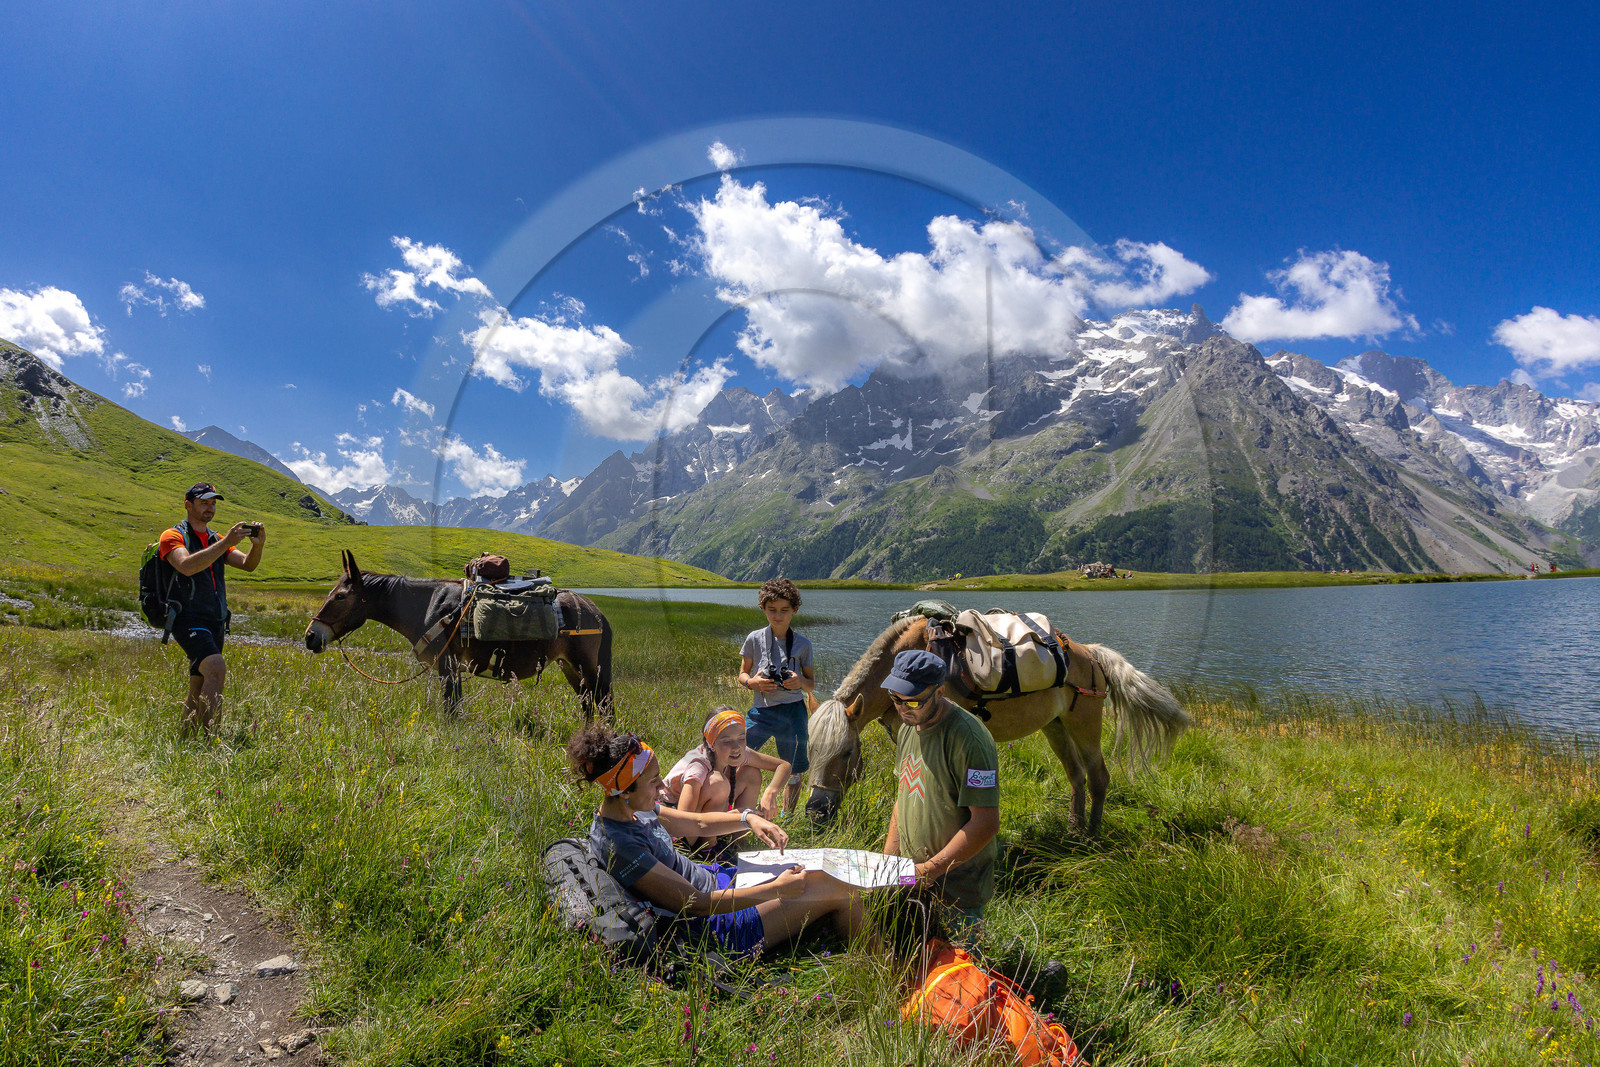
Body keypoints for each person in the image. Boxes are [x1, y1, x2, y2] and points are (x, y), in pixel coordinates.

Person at [569, 723, 867, 957]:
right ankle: (893, 976)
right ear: (623, 791)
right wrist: (776, 889)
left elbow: (697, 822)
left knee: (819, 870)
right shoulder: (621, 845)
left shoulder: (632, 810)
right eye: (653, 781)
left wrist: (747, 818)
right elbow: (695, 904)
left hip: (720, 881)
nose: (661, 788)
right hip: (720, 926)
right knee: (840, 888)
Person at [882, 649, 1000, 941]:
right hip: (914, 878)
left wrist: (929, 871)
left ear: (940, 691)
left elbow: (985, 823)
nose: (902, 708)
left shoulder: (969, 738)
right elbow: (904, 797)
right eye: (895, 699)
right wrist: (888, 862)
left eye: (913, 700)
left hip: (958, 888)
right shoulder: (908, 729)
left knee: (961, 973)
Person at [157, 482, 265, 734]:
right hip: (187, 618)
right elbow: (185, 566)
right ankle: (208, 740)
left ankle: (185, 737)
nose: (210, 507)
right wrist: (225, 541)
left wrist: (257, 545)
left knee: (199, 682)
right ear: (188, 505)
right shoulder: (173, 536)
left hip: (216, 620)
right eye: (204, 502)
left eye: (213, 503)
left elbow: (248, 565)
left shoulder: (216, 539)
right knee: (215, 666)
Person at [664, 706, 793, 859]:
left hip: (701, 817)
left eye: (741, 739)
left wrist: (771, 792)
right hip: (675, 827)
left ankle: (738, 843)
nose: (736, 747)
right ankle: (708, 850)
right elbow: (682, 821)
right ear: (711, 743)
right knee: (718, 783)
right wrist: (735, 815)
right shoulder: (698, 766)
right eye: (726, 741)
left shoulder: (739, 753)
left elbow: (784, 766)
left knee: (751, 773)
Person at [737, 577, 815, 815]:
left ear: (795, 610)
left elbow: (811, 685)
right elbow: (742, 674)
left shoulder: (803, 644)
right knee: (737, 752)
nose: (778, 616)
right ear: (763, 609)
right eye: (772, 610)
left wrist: (799, 681)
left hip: (793, 712)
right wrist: (753, 683)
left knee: (795, 768)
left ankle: (787, 815)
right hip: (761, 711)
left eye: (784, 610)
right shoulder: (754, 638)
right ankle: (736, 808)